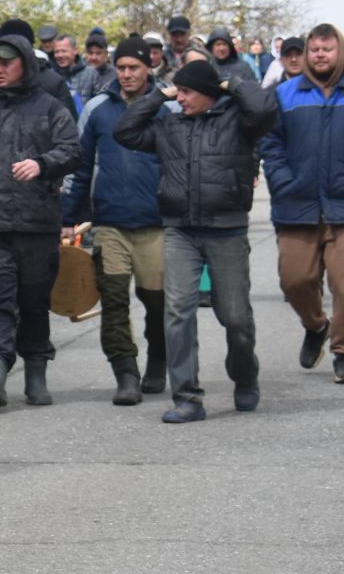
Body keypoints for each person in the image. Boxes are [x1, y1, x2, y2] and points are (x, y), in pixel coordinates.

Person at [115, 60, 278, 421]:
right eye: (179, 91)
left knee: (236, 318)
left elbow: (266, 108)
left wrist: (228, 83)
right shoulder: (168, 124)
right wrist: (159, 94)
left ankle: (245, 374)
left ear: (207, 93)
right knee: (177, 313)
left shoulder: (238, 121)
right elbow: (125, 131)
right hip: (180, 230)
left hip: (227, 230)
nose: (181, 98)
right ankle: (187, 397)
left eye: (187, 92)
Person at [0, 30, 80, 409]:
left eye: (6, 63)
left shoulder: (50, 108)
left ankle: (36, 372)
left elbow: (73, 150)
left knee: (33, 302)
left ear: (25, 64)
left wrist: (42, 164)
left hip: (37, 224)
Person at [63, 39, 168, 404]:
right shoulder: (97, 108)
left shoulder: (167, 108)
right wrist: (68, 217)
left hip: (157, 224)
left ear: (148, 68)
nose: (126, 74)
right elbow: (78, 167)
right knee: (113, 299)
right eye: (121, 67)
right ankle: (126, 373)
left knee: (158, 303)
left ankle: (159, 358)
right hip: (109, 224)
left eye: (133, 67)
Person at [258, 23, 344, 381]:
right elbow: (270, 143)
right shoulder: (286, 94)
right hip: (297, 204)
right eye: (315, 49)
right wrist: (280, 180)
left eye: (327, 48)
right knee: (295, 281)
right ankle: (315, 325)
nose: (320, 54)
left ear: (339, 52)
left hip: (341, 207)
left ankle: (341, 349)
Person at [69, 29, 114, 103]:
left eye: (98, 53)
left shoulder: (115, 76)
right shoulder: (77, 73)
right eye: (90, 53)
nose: (94, 57)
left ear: (106, 54)